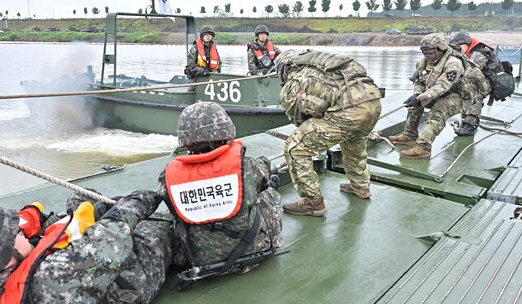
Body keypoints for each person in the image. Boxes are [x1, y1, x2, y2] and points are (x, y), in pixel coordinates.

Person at [0, 191, 175, 303]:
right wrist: (145, 196)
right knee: (160, 230)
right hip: (123, 284)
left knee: (80, 199)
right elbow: (114, 233)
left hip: (83, 271)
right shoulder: (52, 276)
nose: (19, 231)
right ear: (2, 259)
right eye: (13, 234)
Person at [157, 101, 283, 272]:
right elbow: (263, 174)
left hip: (197, 259)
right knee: (269, 195)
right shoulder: (247, 167)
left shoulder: (166, 178)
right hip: (253, 250)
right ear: (225, 132)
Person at [276, 50, 382, 217]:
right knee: (354, 141)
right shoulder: (323, 68)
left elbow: (299, 121)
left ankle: (312, 202)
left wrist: (313, 134)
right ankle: (360, 186)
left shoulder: (293, 83)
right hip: (373, 103)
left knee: (295, 147)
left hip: (348, 111)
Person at [388, 34, 470, 159]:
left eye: (430, 52)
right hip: (438, 93)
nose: (427, 56)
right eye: (424, 52)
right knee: (415, 105)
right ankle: (409, 135)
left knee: (439, 109)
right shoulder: (424, 62)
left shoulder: (454, 63)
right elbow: (419, 81)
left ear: (439, 49)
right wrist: (417, 94)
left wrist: (420, 97)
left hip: (459, 96)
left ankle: (424, 147)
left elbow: (443, 86)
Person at [448, 31, 508, 136]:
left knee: (474, 93)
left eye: (457, 48)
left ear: (464, 45)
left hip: (493, 80)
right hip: (482, 77)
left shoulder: (478, 53)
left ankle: (471, 125)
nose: (456, 51)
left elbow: (470, 72)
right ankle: (465, 119)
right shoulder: (468, 50)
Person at [185, 26, 222, 92]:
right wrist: (203, 71)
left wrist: (215, 72)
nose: (208, 36)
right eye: (206, 34)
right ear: (202, 36)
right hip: (195, 76)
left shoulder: (214, 48)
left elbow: (219, 64)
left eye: (210, 35)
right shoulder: (195, 48)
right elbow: (191, 66)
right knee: (192, 90)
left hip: (209, 74)